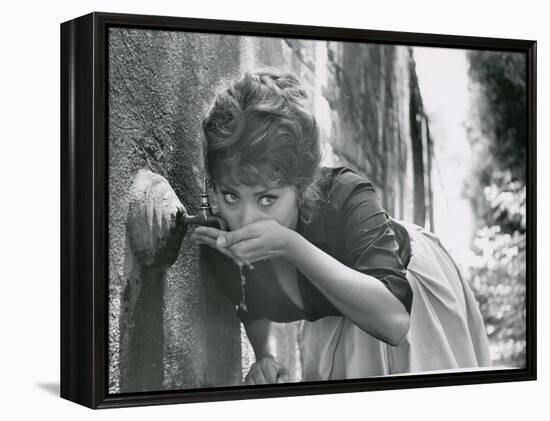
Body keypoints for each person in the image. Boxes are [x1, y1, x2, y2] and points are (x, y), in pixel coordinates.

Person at [183, 68, 491, 384]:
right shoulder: (221, 237)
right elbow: (251, 300)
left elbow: (395, 321)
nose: (246, 221)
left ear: (300, 188)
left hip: (404, 295)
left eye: (267, 199)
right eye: (231, 195)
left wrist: (290, 245)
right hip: (337, 315)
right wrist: (266, 356)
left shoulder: (344, 195)